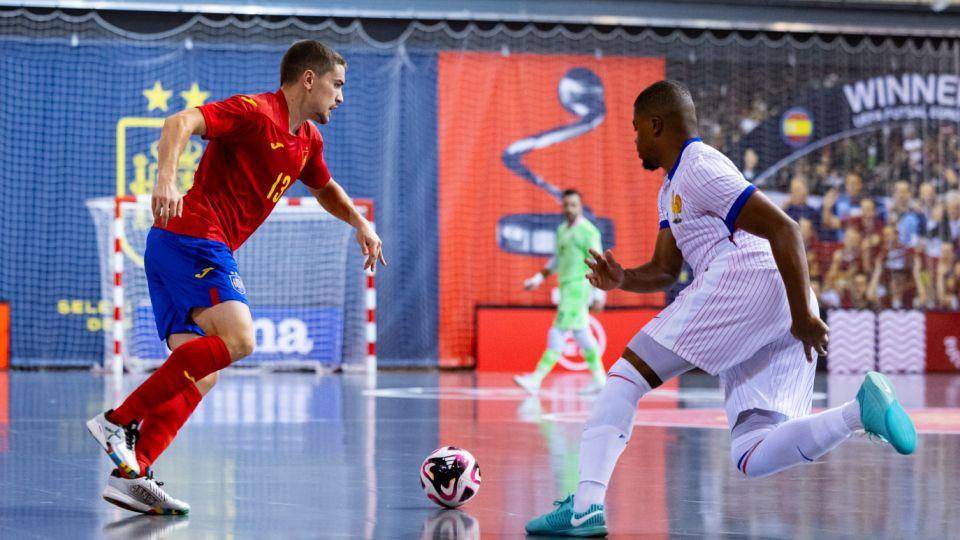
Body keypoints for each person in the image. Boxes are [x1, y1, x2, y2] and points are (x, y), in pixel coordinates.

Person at [525, 80, 916, 536]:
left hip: (749, 282)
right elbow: (666, 270)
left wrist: (804, 316)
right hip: (776, 297)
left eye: (636, 130)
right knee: (751, 452)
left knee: (625, 378)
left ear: (656, 124)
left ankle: (585, 508)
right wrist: (625, 279)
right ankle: (859, 412)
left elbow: (785, 229)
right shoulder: (672, 187)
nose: (634, 140)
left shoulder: (698, 166)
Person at [85, 40, 385, 514]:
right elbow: (179, 121)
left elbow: (325, 188)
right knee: (241, 340)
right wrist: (165, 179)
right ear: (310, 79)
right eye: (337, 84)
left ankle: (132, 472)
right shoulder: (256, 113)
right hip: (194, 237)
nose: (341, 97)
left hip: (173, 246)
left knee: (201, 376)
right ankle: (118, 422)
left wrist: (360, 223)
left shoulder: (308, 140)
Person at [515, 189, 607, 395]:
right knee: (583, 335)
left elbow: (599, 263)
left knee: (557, 331)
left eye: (573, 204)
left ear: (580, 207)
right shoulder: (561, 231)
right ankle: (600, 380)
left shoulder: (589, 232)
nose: (569, 208)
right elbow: (556, 260)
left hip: (579, 287)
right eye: (566, 204)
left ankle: (536, 379)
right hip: (565, 287)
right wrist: (537, 279)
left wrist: (600, 294)